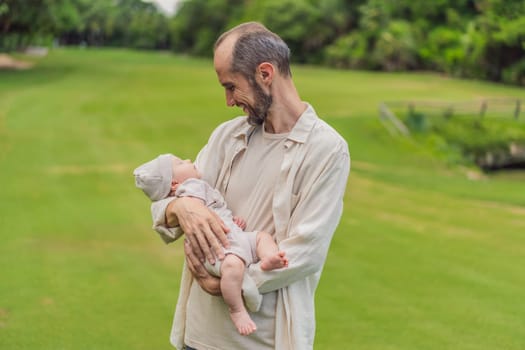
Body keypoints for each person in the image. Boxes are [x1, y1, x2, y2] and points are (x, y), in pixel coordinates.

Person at [150, 22, 350, 350]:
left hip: (264, 342)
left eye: (231, 86)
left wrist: (231, 282)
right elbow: (168, 197)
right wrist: (180, 207)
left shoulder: (327, 149)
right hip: (198, 337)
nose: (228, 101)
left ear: (265, 74)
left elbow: (306, 252)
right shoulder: (226, 136)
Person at [133, 153, 289, 335]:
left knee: (261, 237)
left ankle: (268, 257)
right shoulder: (191, 189)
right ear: (175, 184)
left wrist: (232, 221)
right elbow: (197, 213)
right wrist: (182, 206)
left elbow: (214, 211)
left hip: (235, 238)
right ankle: (237, 309)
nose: (189, 161)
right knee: (232, 265)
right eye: (181, 162)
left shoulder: (199, 188)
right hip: (219, 249)